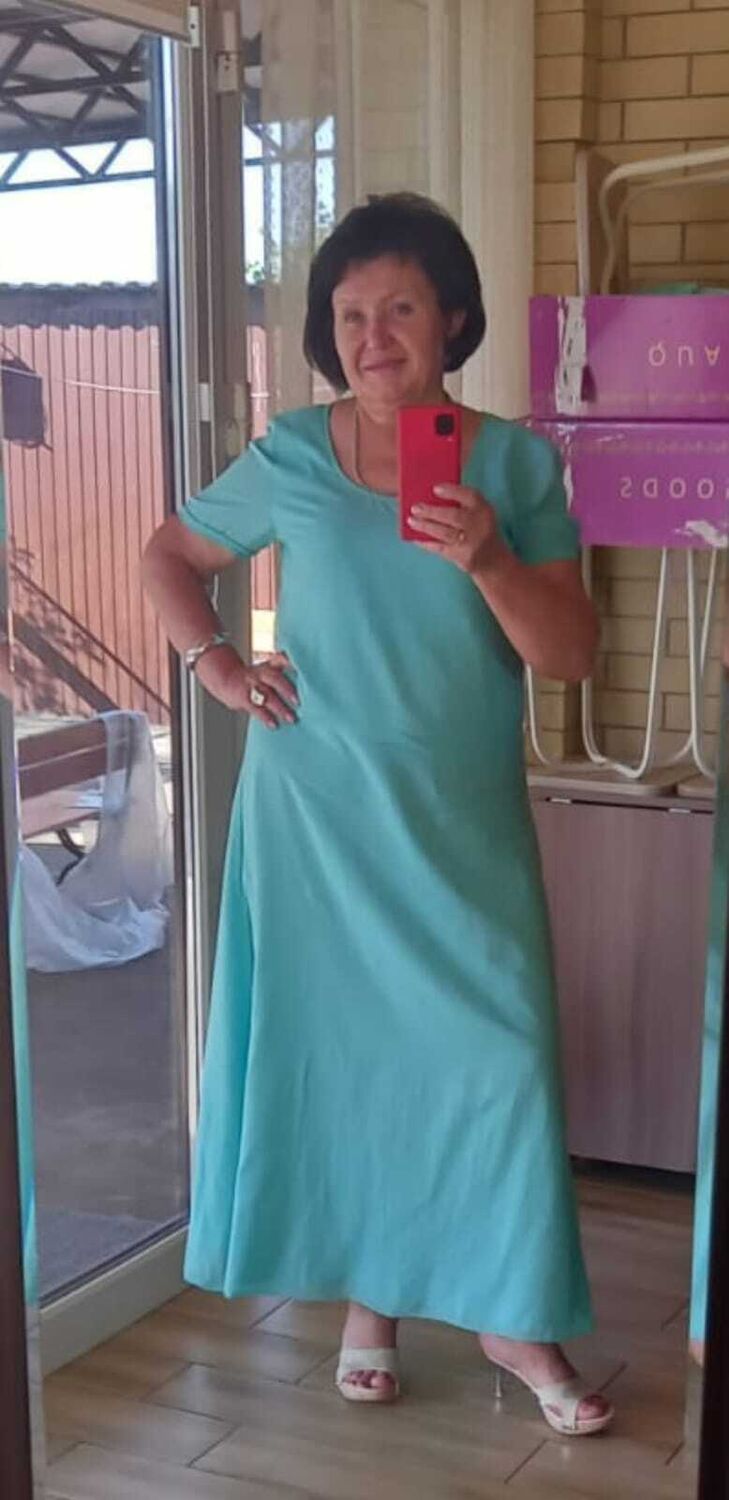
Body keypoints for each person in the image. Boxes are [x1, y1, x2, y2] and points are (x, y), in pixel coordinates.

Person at [142, 193, 612, 1436]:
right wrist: (215, 666)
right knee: (354, 1065)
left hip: (459, 827)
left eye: (399, 308)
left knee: (496, 1059)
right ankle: (374, 1303)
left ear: (451, 316)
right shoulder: (293, 455)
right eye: (350, 315)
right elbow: (169, 556)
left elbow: (570, 655)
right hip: (317, 823)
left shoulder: (514, 466)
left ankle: (510, 1314)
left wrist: (490, 560)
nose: (373, 336)